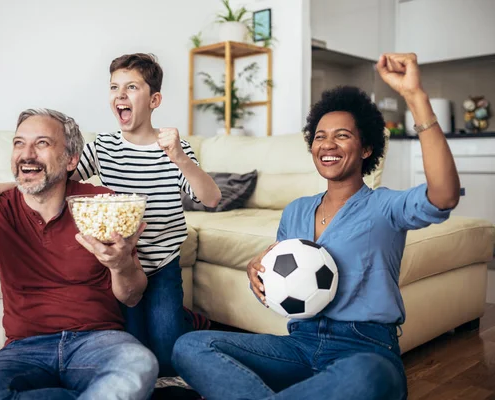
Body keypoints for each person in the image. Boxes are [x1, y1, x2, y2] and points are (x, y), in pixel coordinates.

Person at [171, 53, 460, 400]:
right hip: (300, 345)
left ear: (367, 147)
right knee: (190, 345)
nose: (328, 145)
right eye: (320, 136)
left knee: (369, 376)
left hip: (364, 349)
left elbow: (443, 197)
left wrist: (415, 97)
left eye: (342, 136)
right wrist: (258, 276)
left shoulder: (386, 206)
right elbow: (282, 284)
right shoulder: (296, 211)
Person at [0, 53, 222, 377]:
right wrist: (2, 186)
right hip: (121, 264)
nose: (120, 95)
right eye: (114, 87)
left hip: (163, 262)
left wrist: (180, 158)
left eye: (131, 87)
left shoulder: (175, 149)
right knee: (139, 349)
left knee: (168, 359)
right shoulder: (102, 147)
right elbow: (56, 177)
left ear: (155, 99)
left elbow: (211, 199)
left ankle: (189, 319)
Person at [0, 108, 159, 400]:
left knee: (139, 365)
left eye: (42, 143)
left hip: (98, 341)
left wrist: (120, 264)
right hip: (24, 349)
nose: (26, 154)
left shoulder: (102, 205)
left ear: (71, 160)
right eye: (18, 143)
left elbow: (132, 295)